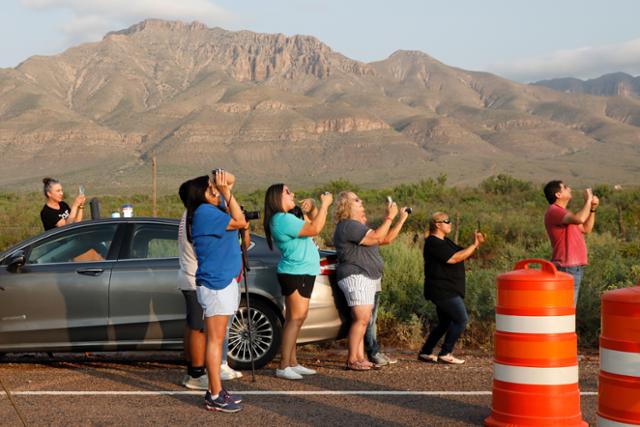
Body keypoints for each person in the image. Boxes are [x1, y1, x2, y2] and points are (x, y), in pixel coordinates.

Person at [178, 177, 243, 392]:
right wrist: (225, 192)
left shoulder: (200, 212)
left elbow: (233, 212)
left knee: (206, 333)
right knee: (208, 336)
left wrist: (224, 186)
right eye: (209, 188)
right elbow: (239, 220)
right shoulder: (203, 213)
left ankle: (209, 384)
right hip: (212, 281)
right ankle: (210, 387)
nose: (214, 190)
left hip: (212, 279)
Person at [263, 184, 333, 380]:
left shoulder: (288, 218)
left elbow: (311, 227)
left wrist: (312, 210)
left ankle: (292, 362)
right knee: (295, 319)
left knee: (296, 319)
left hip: (302, 272)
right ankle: (283, 365)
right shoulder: (281, 219)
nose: (292, 193)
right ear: (277, 197)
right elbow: (315, 227)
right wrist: (326, 204)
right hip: (296, 273)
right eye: (287, 191)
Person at [333, 192, 409, 370]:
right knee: (362, 318)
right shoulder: (348, 225)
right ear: (347, 205)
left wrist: (400, 220)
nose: (361, 202)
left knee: (363, 319)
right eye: (357, 200)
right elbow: (376, 236)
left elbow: (385, 239)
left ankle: (360, 357)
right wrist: (390, 216)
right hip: (357, 275)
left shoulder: (356, 227)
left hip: (366, 276)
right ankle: (352, 359)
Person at [419, 212, 484, 365]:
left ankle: (426, 352)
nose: (450, 224)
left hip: (447, 288)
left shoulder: (445, 241)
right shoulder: (433, 243)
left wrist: (476, 244)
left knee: (445, 323)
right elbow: (454, 258)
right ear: (437, 224)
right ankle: (446, 352)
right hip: (443, 289)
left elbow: (462, 254)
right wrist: (474, 245)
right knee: (461, 319)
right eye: (447, 221)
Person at [543, 180, 599, 306]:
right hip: (567, 266)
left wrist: (592, 209)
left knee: (566, 307)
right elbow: (580, 219)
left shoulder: (565, 214)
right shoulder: (555, 211)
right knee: (566, 307)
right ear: (558, 194)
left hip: (573, 266)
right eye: (566, 187)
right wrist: (588, 200)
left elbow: (586, 228)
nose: (570, 189)